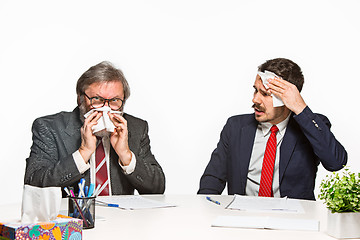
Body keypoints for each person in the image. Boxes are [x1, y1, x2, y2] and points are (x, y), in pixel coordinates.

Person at [198, 58, 347, 200]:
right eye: (255, 90)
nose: (255, 99)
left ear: (286, 98)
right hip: (243, 217)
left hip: (293, 220)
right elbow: (212, 179)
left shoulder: (311, 124)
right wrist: (206, 211)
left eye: (265, 94)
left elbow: (336, 163)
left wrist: (301, 109)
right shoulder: (235, 127)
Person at [24, 61, 165, 196]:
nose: (106, 108)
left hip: (122, 218)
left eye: (114, 100)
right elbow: (33, 184)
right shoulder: (50, 128)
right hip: (74, 218)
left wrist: (126, 155)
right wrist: (83, 153)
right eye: (97, 99)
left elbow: (157, 189)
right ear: (80, 99)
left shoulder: (136, 128)